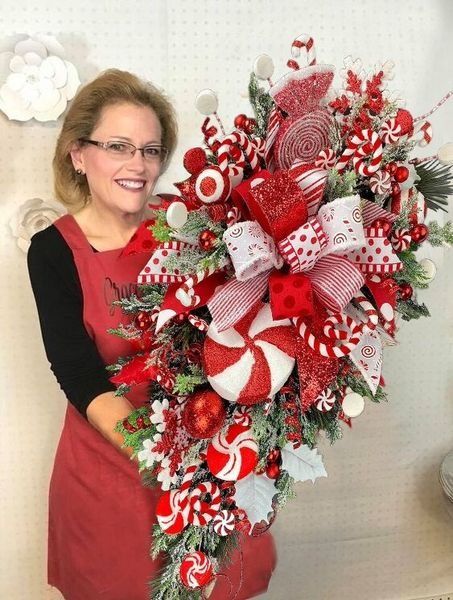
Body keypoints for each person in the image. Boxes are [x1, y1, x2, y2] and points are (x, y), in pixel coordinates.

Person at [28, 69, 276, 600]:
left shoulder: (189, 222)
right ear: (78, 154)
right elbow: (80, 375)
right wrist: (168, 461)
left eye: (150, 150)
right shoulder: (53, 252)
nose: (137, 165)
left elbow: (243, 320)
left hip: (212, 460)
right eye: (118, 147)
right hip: (110, 476)